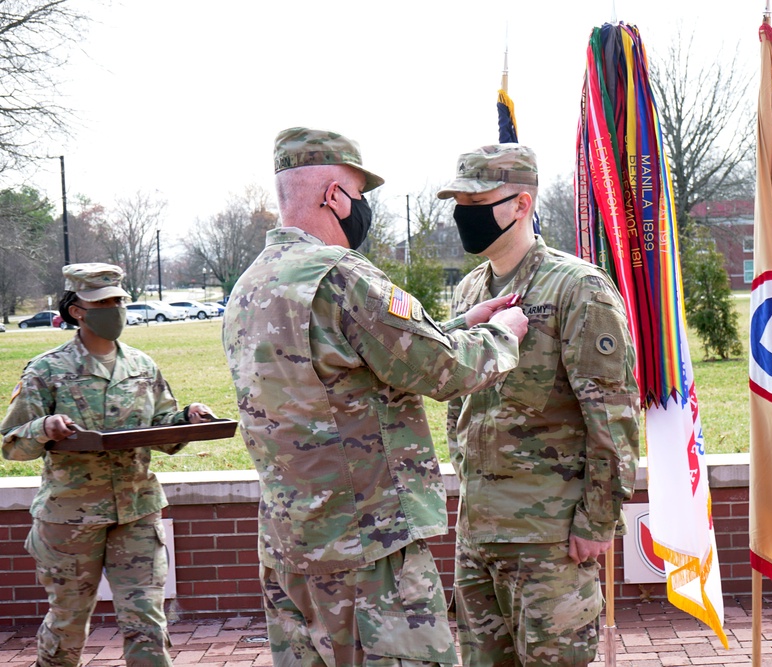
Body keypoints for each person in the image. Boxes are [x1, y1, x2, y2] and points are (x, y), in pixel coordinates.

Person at [221, 127, 528, 667]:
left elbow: (353, 359)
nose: (362, 208)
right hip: (367, 550)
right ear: (334, 195)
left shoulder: (253, 283)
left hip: (291, 547)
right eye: (359, 194)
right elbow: (442, 370)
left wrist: (459, 322)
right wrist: (504, 332)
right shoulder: (340, 275)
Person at [437, 144, 642, 666]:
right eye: (459, 200)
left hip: (549, 541)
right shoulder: (469, 294)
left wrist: (597, 521)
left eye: (478, 200)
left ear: (522, 204)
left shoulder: (578, 288)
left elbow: (613, 417)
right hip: (478, 532)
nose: (465, 213)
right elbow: (457, 404)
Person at [1, 262, 216, 667]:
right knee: (68, 621)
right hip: (71, 518)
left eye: (119, 300)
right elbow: (13, 446)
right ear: (77, 310)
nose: (114, 309)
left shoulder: (142, 366)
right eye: (103, 302)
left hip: (136, 511)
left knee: (147, 623)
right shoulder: (47, 370)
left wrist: (188, 417)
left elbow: (165, 434)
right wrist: (44, 428)